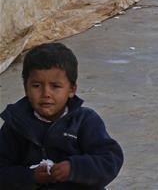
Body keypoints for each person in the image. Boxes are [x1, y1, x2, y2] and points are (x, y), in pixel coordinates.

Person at [0, 43, 124, 188]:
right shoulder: (16, 124)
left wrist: (74, 168)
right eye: (36, 86)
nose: (46, 94)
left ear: (71, 90)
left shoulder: (84, 121)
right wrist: (30, 177)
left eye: (55, 86)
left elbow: (110, 160)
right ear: (26, 89)